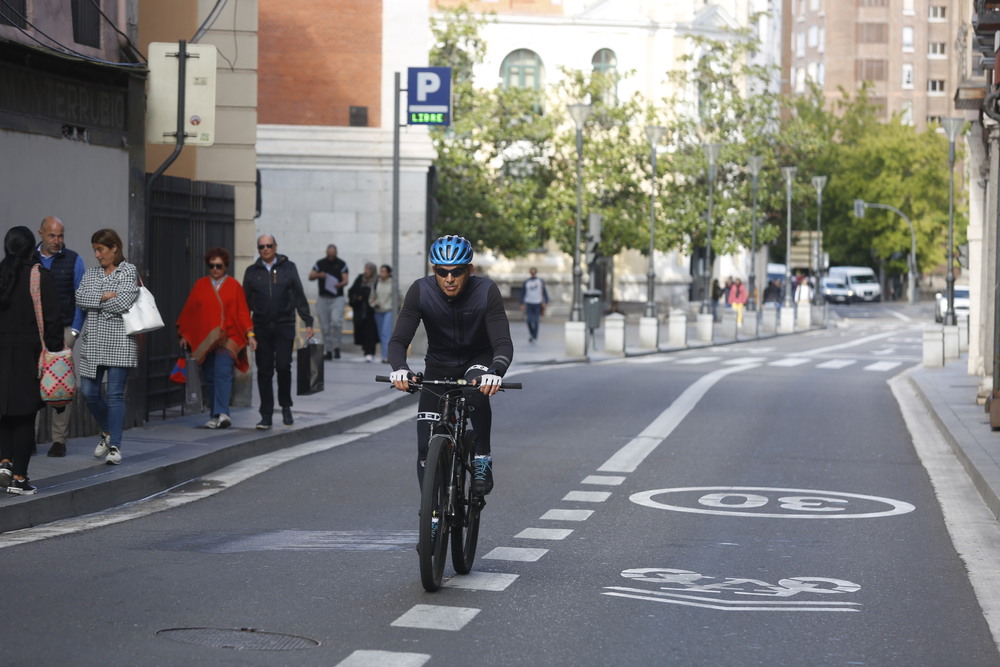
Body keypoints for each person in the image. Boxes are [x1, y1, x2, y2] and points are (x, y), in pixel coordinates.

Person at [388, 235, 513, 496]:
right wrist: (400, 369)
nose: (449, 278)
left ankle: (482, 458)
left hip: (476, 362)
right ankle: (432, 518)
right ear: (433, 269)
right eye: (441, 271)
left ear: (470, 269)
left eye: (457, 271)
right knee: (425, 445)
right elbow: (398, 340)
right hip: (438, 365)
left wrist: (496, 371)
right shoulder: (420, 291)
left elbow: (502, 343)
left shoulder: (486, 291)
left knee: (474, 391)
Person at [0, 226, 63, 494]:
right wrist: (56, 351)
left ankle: (3, 461)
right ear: (30, 248)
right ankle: (19, 478)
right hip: (29, 352)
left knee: (3, 412)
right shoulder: (39, 276)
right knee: (25, 415)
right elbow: (52, 320)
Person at [75, 228, 139, 466]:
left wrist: (98, 299)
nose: (97, 255)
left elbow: (124, 302)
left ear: (114, 248)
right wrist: (105, 296)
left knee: (114, 394)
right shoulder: (91, 273)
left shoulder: (128, 270)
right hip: (93, 341)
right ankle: (108, 431)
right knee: (89, 392)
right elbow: (79, 298)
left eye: (100, 250)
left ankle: (115, 446)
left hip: (120, 340)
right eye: (94, 250)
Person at [176, 248, 257, 429]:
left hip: (229, 338)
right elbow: (190, 311)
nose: (215, 269)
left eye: (219, 266)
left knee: (222, 372)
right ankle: (215, 414)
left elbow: (243, 312)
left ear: (225, 266)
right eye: (211, 266)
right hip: (206, 339)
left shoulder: (234, 286)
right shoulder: (200, 285)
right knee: (210, 377)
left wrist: (250, 335)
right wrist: (184, 334)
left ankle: (223, 413)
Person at [243, 234, 313, 429]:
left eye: (269, 245)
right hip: (261, 327)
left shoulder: (288, 268)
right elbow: (244, 304)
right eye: (261, 246)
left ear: (275, 247)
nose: (265, 249)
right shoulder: (251, 272)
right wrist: (247, 332)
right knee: (264, 371)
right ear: (258, 249)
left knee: (283, 367)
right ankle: (265, 414)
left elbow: (299, 295)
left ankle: (286, 406)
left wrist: (308, 321)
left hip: (284, 325)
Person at [33, 216, 86, 457]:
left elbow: (81, 298)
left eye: (61, 235)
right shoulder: (29, 258)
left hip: (63, 329)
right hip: (34, 330)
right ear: (41, 234)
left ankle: (59, 440)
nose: (57, 240)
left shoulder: (74, 260)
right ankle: (29, 439)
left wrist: (74, 331)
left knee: (60, 385)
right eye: (52, 235)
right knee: (31, 382)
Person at [308, 244, 349, 360]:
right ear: (326, 253)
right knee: (324, 326)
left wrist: (339, 284)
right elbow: (310, 276)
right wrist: (319, 275)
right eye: (329, 254)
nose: (331, 256)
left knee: (336, 322)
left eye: (333, 254)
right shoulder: (320, 263)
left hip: (337, 297)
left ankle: (336, 347)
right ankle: (329, 350)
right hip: (323, 297)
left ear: (336, 253)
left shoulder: (341, 264)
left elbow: (345, 280)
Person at [349, 262, 379, 362]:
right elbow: (352, 291)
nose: (366, 272)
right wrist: (357, 297)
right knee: (362, 330)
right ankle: (366, 351)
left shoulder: (376, 280)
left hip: (372, 312)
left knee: (370, 332)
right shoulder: (360, 278)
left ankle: (370, 352)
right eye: (365, 269)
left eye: (368, 270)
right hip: (360, 310)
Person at [369, 264, 396, 363]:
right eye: (380, 271)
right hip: (378, 311)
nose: (381, 273)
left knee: (386, 333)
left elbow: (400, 297)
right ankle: (384, 354)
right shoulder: (376, 283)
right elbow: (372, 297)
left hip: (389, 311)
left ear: (389, 273)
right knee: (381, 334)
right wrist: (373, 303)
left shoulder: (393, 284)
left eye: (384, 271)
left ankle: (387, 356)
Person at [519, 267, 549, 343]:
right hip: (529, 303)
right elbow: (522, 293)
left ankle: (535, 336)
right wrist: (521, 303)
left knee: (536, 321)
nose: (533, 273)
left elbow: (544, 292)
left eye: (534, 272)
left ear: (536, 272)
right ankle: (532, 334)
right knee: (528, 321)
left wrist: (545, 302)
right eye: (531, 272)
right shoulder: (526, 282)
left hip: (537, 303)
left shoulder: (540, 281)